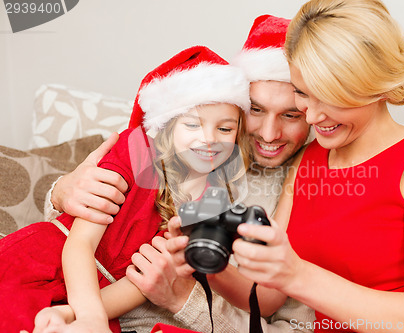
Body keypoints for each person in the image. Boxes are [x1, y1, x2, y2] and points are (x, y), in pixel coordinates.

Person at [44, 15, 315, 333]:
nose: (269, 134)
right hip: (82, 299)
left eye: (291, 115)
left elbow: (289, 325)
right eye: (256, 110)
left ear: (313, 113)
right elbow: (87, 226)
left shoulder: (306, 189)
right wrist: (61, 192)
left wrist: (185, 300)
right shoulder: (189, 153)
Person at [228, 0, 404, 332]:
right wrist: (198, 260)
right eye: (302, 94)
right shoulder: (309, 160)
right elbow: (268, 296)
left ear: (375, 86)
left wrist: (299, 275)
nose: (312, 117)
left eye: (329, 97)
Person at [0, 45, 251, 333]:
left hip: (102, 299)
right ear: (168, 125)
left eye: (225, 129)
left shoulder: (213, 205)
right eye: (193, 124)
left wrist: (74, 315)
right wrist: (89, 316)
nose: (209, 140)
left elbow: (140, 283)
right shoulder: (136, 150)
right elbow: (80, 244)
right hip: (46, 263)